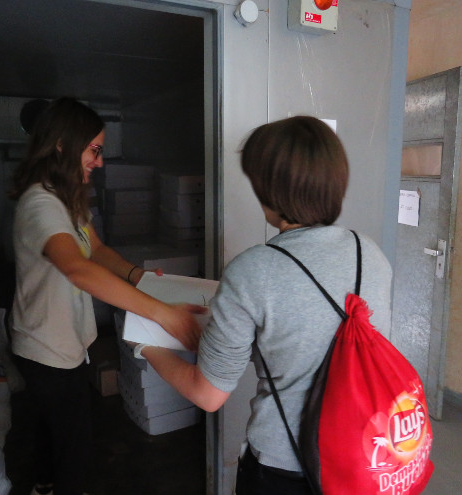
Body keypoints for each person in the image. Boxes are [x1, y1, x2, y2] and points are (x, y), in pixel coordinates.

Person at [136, 116, 393, 495]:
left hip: (285, 469)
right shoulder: (369, 252)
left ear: (270, 190)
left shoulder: (254, 269)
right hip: (363, 455)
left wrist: (146, 345)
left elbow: (208, 395)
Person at [8, 97, 204, 495]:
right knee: (74, 449)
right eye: (94, 150)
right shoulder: (41, 203)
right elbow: (77, 268)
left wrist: (140, 276)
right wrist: (164, 314)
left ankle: (42, 485)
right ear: (63, 144)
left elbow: (94, 249)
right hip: (46, 349)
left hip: (62, 342)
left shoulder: (65, 198)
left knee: (54, 433)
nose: (98, 162)